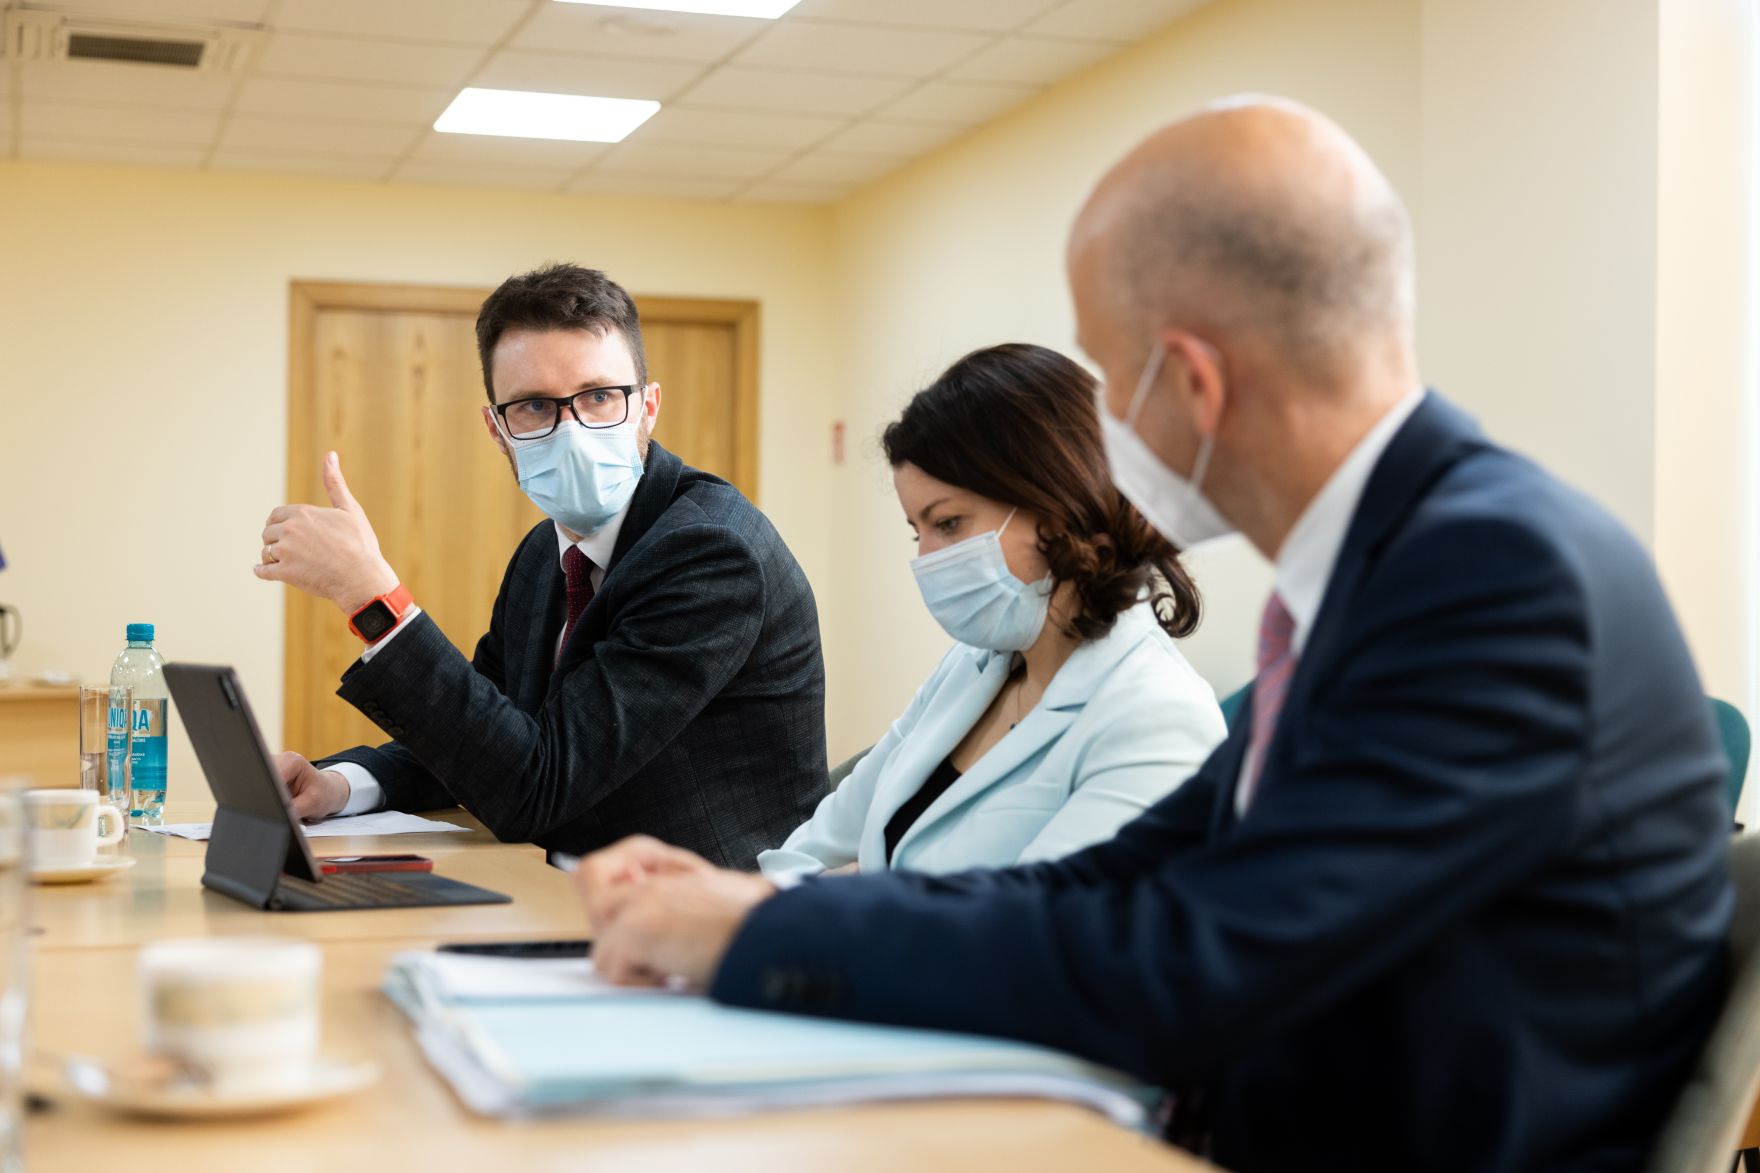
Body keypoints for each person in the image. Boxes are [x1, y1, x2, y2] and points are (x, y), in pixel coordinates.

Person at [573, 99, 1733, 1172]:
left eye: (1112, 373)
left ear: (1190, 381)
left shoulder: (1489, 576)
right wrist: (771, 913)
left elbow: (1193, 957)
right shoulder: (1393, 567)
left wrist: (755, 941)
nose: (1104, 429)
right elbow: (1111, 879)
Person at [253, 263, 828, 866]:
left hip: (717, 906)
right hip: (573, 888)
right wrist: (341, 786)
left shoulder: (709, 553)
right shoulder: (542, 555)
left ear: (648, 406)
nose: (571, 431)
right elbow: (485, 742)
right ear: (496, 428)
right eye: (533, 406)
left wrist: (374, 599)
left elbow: (536, 785)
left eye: (600, 396)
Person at [758, 342, 1224, 881]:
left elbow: (1027, 924)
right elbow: (814, 846)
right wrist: (746, 906)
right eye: (917, 531)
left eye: (948, 523)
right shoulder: (973, 665)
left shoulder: (1158, 719)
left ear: (1056, 505)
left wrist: (823, 904)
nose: (925, 559)